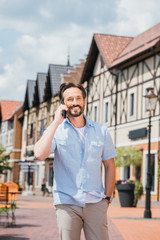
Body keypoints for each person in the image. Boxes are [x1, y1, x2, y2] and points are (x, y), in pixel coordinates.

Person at [34, 82, 117, 240]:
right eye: (70, 99)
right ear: (63, 104)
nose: (74, 102)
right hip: (67, 202)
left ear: (84, 100)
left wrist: (107, 198)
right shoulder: (57, 130)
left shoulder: (101, 131)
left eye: (78, 98)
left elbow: (109, 164)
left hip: (96, 202)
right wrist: (55, 122)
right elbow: (39, 154)